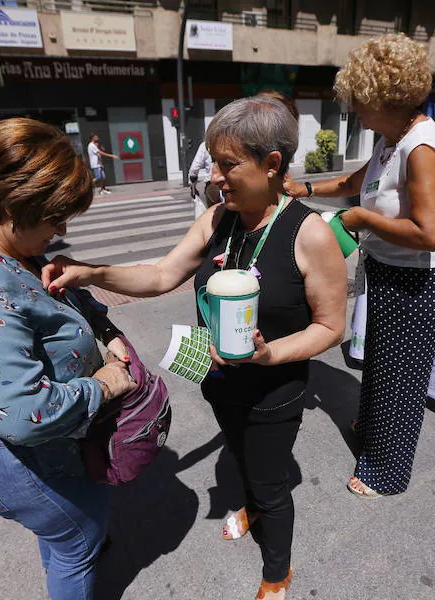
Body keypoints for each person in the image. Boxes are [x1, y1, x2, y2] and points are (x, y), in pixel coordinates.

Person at [42, 97, 346, 600]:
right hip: (219, 380)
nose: (216, 176)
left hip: (275, 391)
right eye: (213, 162)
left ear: (272, 164)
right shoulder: (217, 219)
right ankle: (249, 503)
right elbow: (163, 273)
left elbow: (331, 327)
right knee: (242, 459)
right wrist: (92, 272)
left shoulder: (309, 233)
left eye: (228, 164)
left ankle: (277, 574)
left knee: (272, 486)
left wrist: (268, 355)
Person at [0, 118, 136, 600]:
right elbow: (22, 414)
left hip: (48, 452)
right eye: (56, 218)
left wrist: (103, 328)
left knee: (63, 532)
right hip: (14, 460)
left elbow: (55, 296)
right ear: (16, 204)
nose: (62, 231)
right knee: (78, 539)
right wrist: (105, 385)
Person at [285, 33, 435, 499]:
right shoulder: (389, 139)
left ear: (383, 97)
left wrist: (360, 219)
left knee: (403, 378)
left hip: (415, 280)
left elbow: (430, 233)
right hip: (386, 270)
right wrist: (302, 189)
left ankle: (388, 471)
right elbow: (350, 182)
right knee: (380, 366)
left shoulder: (421, 147)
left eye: (358, 102)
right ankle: (377, 432)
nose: (354, 111)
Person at [188, 141, 219, 218]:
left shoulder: (206, 145)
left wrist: (193, 186)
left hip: (213, 186)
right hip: (232, 184)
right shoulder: (233, 140)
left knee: (214, 217)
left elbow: (194, 168)